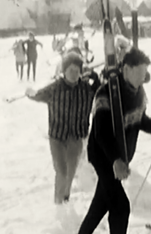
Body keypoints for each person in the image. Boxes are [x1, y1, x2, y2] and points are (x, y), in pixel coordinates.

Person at [73, 47, 151, 234]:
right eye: (140, 72)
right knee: (120, 206)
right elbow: (102, 133)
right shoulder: (106, 93)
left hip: (121, 156)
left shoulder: (138, 93)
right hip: (103, 156)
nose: (144, 78)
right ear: (126, 69)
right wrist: (116, 160)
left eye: (145, 73)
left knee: (103, 202)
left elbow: (139, 120)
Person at [25, 52, 101, 204]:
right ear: (64, 71)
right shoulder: (54, 89)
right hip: (57, 138)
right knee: (62, 171)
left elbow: (102, 91)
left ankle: (65, 196)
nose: (73, 74)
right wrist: (30, 92)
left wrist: (96, 78)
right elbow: (37, 95)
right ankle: (58, 202)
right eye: (70, 70)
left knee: (71, 172)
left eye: (77, 71)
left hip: (77, 137)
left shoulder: (86, 89)